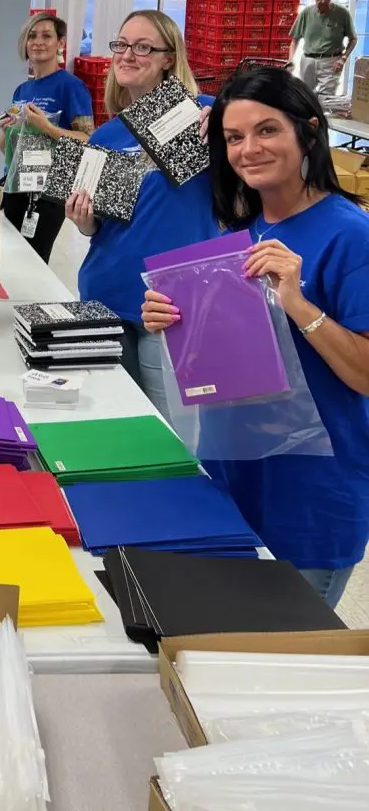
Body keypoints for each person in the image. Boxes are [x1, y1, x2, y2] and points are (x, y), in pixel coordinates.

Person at [142, 68, 369, 608]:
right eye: (234, 137)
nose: (249, 149)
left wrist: (299, 303)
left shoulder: (351, 236)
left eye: (267, 131)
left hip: (312, 496)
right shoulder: (244, 231)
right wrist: (175, 317)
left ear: (308, 133)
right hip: (233, 474)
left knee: (278, 665)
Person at [64, 10, 219, 415]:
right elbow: (101, 224)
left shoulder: (206, 115)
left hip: (171, 302)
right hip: (104, 293)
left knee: (174, 432)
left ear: (170, 57)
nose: (128, 55)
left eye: (143, 46)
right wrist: (85, 221)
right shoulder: (106, 135)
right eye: (121, 45)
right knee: (120, 422)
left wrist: (229, 128)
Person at [0, 13, 94, 262]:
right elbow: (5, 148)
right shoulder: (22, 90)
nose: (38, 42)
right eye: (32, 36)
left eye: (46, 36)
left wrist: (45, 126)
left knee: (33, 261)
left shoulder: (70, 86)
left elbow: (88, 141)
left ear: (60, 43)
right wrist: (5, 130)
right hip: (15, 185)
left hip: (48, 192)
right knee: (10, 257)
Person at [288, 0, 358, 99]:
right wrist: (291, 60)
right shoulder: (306, 13)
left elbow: (353, 39)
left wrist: (343, 58)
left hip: (331, 61)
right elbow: (294, 40)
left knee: (327, 98)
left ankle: (323, 117)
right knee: (306, 97)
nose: (324, 1)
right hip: (308, 60)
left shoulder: (342, 13)